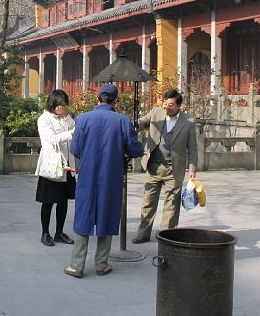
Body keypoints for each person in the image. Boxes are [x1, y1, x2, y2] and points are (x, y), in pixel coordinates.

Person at [64, 84, 143, 278]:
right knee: (107, 214)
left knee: (84, 214)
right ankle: (101, 264)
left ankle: (76, 265)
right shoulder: (123, 121)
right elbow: (134, 150)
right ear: (116, 101)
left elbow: (75, 149)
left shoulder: (82, 120)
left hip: (87, 175)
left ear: (97, 99)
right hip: (111, 176)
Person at [132, 88, 198, 244]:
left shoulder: (188, 122)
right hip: (153, 166)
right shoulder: (156, 113)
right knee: (148, 201)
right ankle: (143, 233)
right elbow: (142, 122)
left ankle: (166, 236)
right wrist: (133, 126)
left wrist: (192, 169)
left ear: (179, 106)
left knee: (172, 205)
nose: (166, 107)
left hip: (173, 169)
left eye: (171, 105)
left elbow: (193, 148)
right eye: (165, 104)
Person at [34, 89, 76, 247]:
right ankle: (45, 233)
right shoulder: (44, 119)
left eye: (65, 105)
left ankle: (59, 232)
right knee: (48, 201)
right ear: (52, 104)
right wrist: (70, 133)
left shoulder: (65, 118)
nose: (62, 108)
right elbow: (51, 139)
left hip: (66, 166)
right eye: (59, 105)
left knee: (63, 201)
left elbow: (74, 127)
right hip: (52, 166)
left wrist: (67, 118)